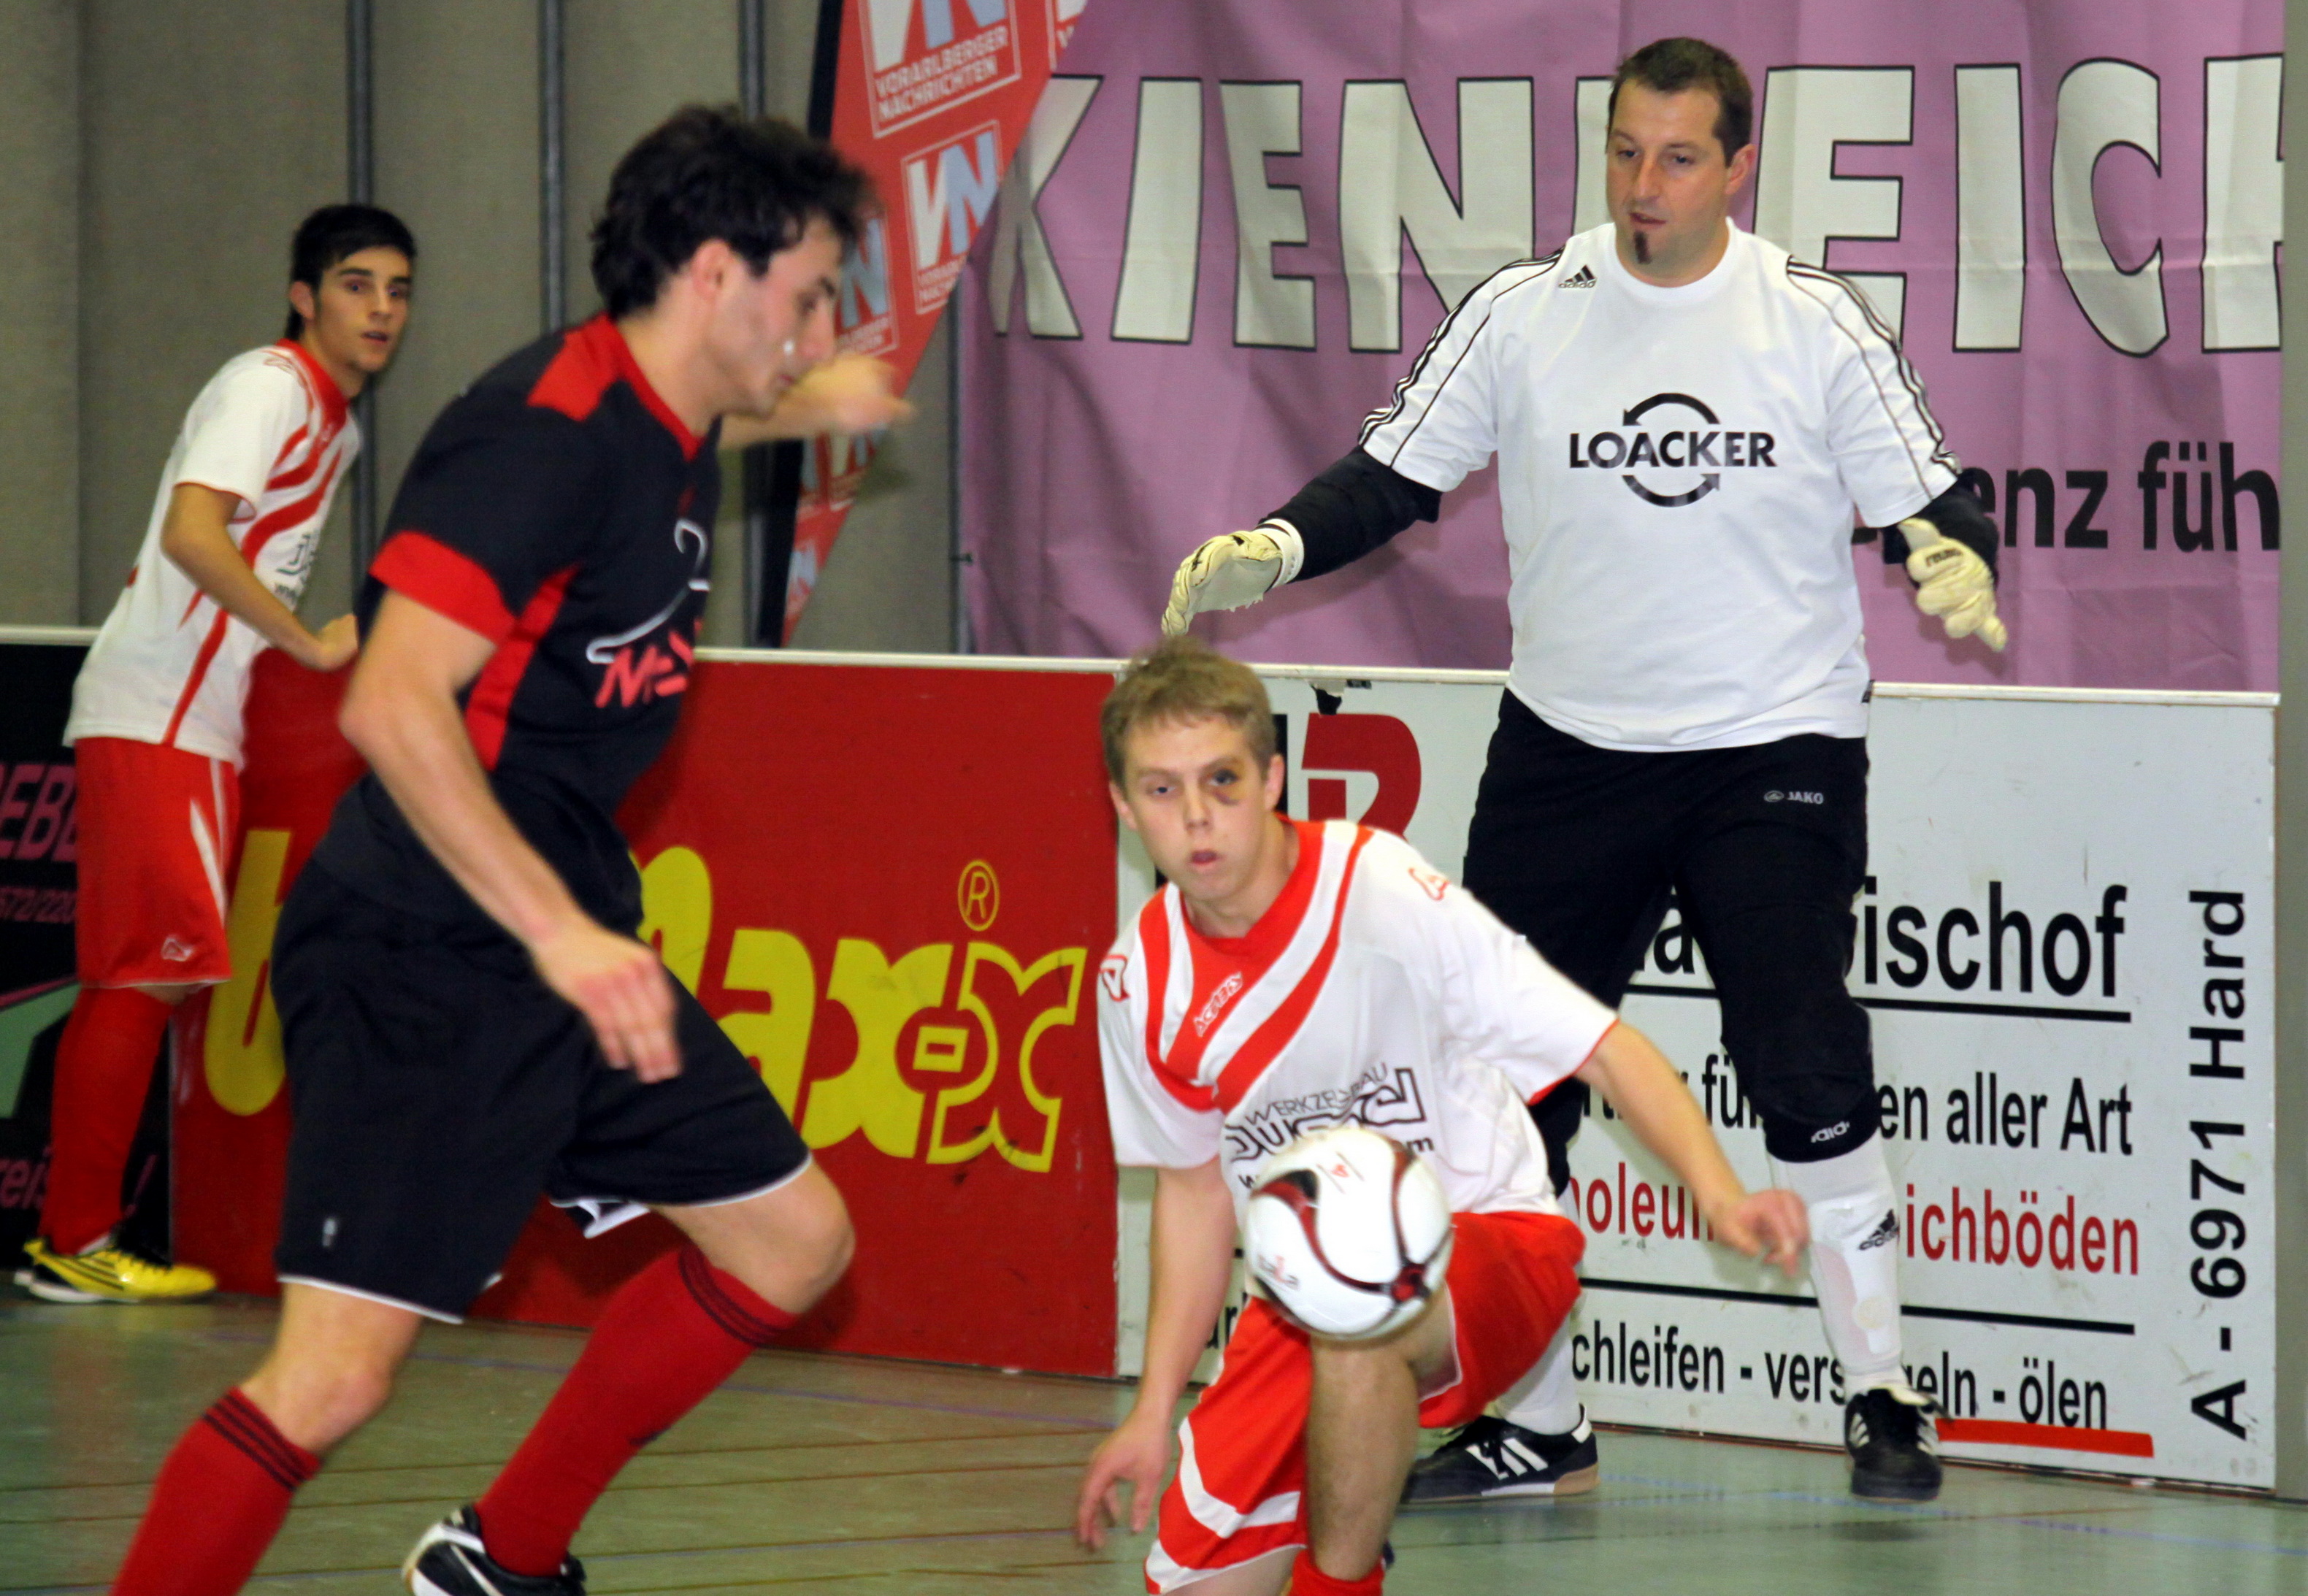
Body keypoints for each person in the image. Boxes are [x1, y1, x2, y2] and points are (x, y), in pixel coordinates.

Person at [1159, 38, 2002, 1505]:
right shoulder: (1526, 311)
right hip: (1568, 751)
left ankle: (1883, 1396)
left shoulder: (1810, 320)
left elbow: (1936, 500)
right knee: (1495, 1086)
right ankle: (1542, 1427)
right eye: (1622, 152)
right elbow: (1392, 473)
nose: (1642, 185)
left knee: (1803, 1058)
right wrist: (1278, 544)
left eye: (1677, 158)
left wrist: (1956, 553)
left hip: (1771, 744)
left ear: (1738, 168)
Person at [101, 108, 903, 1596]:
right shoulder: (536, 436)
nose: (816, 332)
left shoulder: (669, 409)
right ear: (713, 276)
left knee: (791, 1240)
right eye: (804, 299)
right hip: (425, 944)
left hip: (555, 927)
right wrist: (560, 934)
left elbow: (715, 421)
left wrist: (812, 401)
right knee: (333, 1378)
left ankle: (499, 1561)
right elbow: (392, 702)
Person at [1076, 637, 1807, 1596]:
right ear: (1125, 808)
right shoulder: (1138, 982)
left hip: (1497, 1239)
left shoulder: (1376, 889)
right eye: (1162, 790)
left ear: (1273, 779)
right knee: (1193, 1581)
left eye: (1222, 779)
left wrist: (1719, 1194)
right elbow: (1191, 1195)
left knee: (1361, 1298)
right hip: (1301, 1296)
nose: (1198, 816)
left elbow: (1600, 1044)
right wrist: (1149, 1410)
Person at [23, 204, 415, 1305]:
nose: (381, 309)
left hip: (195, 718)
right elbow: (193, 534)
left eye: (398, 290)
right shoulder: (271, 386)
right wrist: (309, 643)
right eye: (356, 284)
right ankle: (75, 1239)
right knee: (148, 971)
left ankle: (73, 1236)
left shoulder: (335, 426)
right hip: (159, 712)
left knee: (151, 971)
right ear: (304, 296)